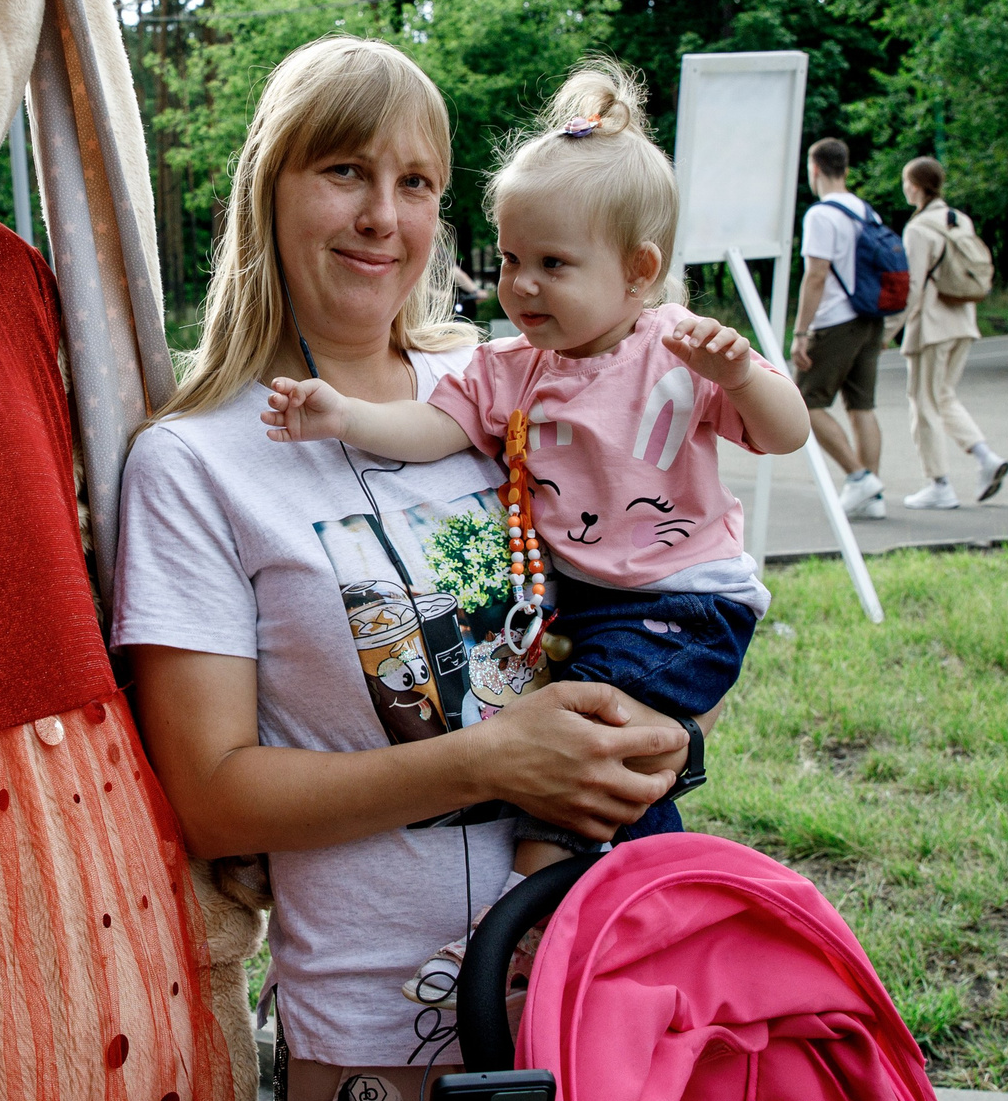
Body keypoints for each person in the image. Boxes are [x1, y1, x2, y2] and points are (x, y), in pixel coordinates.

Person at [115, 38, 710, 1101]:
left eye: (418, 181)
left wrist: (661, 739)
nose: (384, 217)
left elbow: (634, 592)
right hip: (380, 1019)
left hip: (585, 971)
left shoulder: (505, 383)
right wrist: (496, 760)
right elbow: (210, 793)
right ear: (269, 186)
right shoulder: (193, 461)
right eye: (343, 171)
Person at [261, 56, 808, 946]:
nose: (520, 286)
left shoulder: (677, 350)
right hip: (591, 603)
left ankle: (518, 927)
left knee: (584, 762)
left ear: (639, 271)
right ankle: (637, 914)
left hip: (684, 603)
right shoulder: (512, 366)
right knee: (614, 772)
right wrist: (343, 415)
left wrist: (743, 373)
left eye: (553, 264)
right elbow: (433, 430)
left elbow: (784, 434)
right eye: (511, 259)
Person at [895, 157, 1008, 507]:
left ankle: (939, 484)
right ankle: (986, 458)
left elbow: (913, 287)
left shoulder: (918, 229)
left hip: (932, 327)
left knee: (923, 403)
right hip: (963, 321)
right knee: (943, 397)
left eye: (905, 182)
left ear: (915, 186)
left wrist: (889, 327)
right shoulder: (959, 219)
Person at [790, 137, 888, 519]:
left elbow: (816, 276)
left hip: (835, 321)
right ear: (845, 169)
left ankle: (860, 477)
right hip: (870, 319)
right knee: (862, 406)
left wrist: (801, 331)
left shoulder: (820, 214)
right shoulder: (867, 211)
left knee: (804, 403)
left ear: (814, 169)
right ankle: (873, 497)